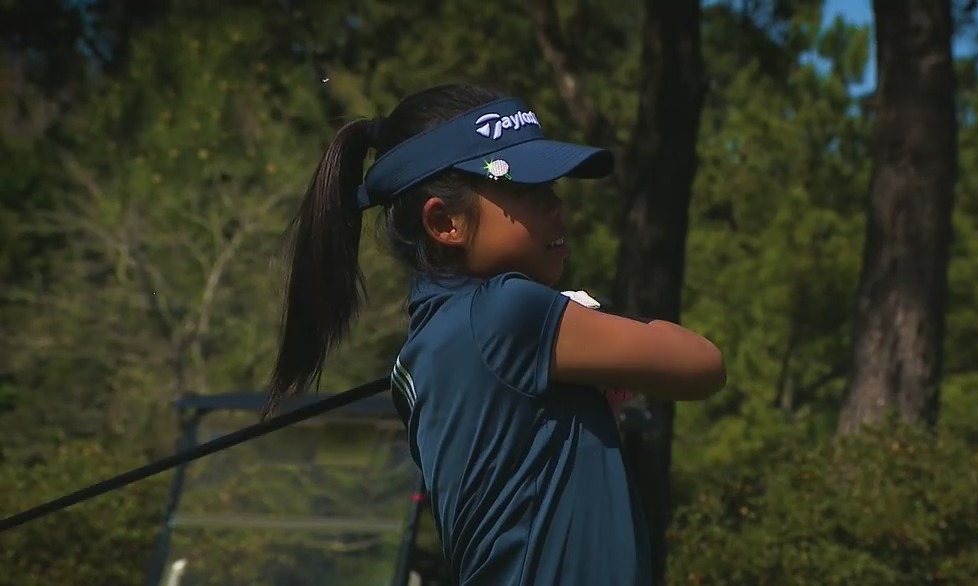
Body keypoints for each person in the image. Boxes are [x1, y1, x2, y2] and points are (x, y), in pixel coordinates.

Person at [265, 83, 726, 586]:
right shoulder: (508, 312)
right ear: (445, 222)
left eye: (552, 186)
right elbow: (702, 366)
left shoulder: (420, 355)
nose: (555, 205)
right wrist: (603, 324)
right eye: (526, 189)